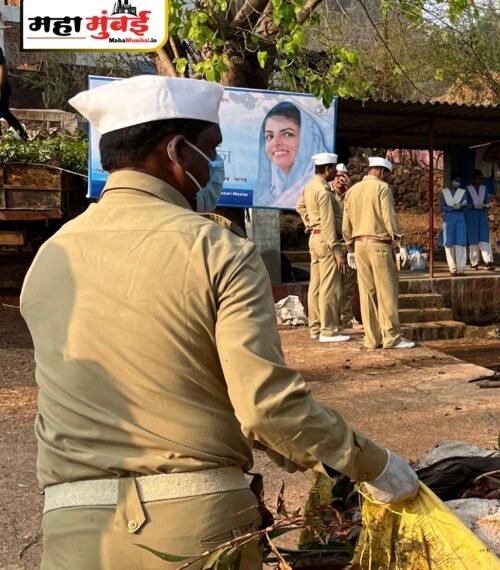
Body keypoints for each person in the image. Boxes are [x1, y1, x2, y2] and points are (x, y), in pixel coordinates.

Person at [22, 75, 418, 570]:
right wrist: (373, 464)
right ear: (177, 152)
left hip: (74, 529)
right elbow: (266, 408)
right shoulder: (217, 250)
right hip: (197, 524)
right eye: (210, 149)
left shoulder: (50, 258)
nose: (214, 165)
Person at [343, 157, 415, 350]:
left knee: (367, 292)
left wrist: (349, 248)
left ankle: (372, 338)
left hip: (359, 245)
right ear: (383, 172)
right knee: (387, 291)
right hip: (379, 245)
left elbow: (346, 223)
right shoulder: (383, 188)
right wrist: (400, 242)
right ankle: (392, 337)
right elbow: (389, 217)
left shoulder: (352, 191)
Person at [296, 152, 349, 342]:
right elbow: (328, 223)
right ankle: (329, 330)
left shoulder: (310, 186)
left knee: (316, 286)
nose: (336, 172)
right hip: (326, 241)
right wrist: (337, 250)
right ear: (327, 169)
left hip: (315, 239)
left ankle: (315, 327)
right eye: (334, 169)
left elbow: (300, 206)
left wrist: (309, 223)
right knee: (329, 287)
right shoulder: (324, 191)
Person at [257, 101, 331, 209]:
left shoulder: (328, 186)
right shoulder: (271, 189)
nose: (276, 142)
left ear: (308, 138)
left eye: (287, 134)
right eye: (269, 136)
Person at [333, 163, 358, 329]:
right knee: (333, 284)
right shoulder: (327, 195)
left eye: (343, 176)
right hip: (333, 243)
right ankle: (333, 318)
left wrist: (350, 190)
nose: (340, 180)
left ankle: (347, 317)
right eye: (337, 176)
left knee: (349, 284)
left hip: (349, 244)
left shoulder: (353, 194)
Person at [466, 169, 495, 270]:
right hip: (472, 216)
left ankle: (488, 261)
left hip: (482, 215)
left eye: (481, 179)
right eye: (478, 179)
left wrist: (486, 205)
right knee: (473, 239)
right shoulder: (468, 189)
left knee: (484, 238)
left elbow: (486, 201)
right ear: (473, 179)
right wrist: (473, 206)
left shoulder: (484, 188)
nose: (480, 181)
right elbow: (466, 204)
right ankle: (474, 262)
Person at [440, 173, 469, 276]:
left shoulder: (462, 192)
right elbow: (442, 206)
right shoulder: (444, 192)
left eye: (459, 181)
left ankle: (461, 269)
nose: (457, 182)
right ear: (451, 180)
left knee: (461, 243)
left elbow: (465, 206)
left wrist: (461, 206)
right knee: (449, 243)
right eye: (456, 180)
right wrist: (452, 208)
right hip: (448, 219)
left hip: (460, 218)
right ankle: (452, 269)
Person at [0, 46, 28, 141]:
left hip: (2, 88)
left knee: (4, 112)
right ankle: (23, 135)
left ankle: (23, 135)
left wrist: (0, 87)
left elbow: (2, 68)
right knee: (4, 112)